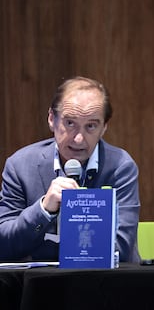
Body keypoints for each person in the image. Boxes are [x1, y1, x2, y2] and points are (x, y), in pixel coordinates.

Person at [0, 76, 140, 263]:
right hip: (42, 286)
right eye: (70, 123)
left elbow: (120, 248)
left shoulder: (121, 168)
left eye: (91, 126)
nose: (79, 139)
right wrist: (43, 210)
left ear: (104, 127)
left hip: (105, 285)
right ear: (52, 119)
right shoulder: (20, 166)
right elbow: (5, 244)